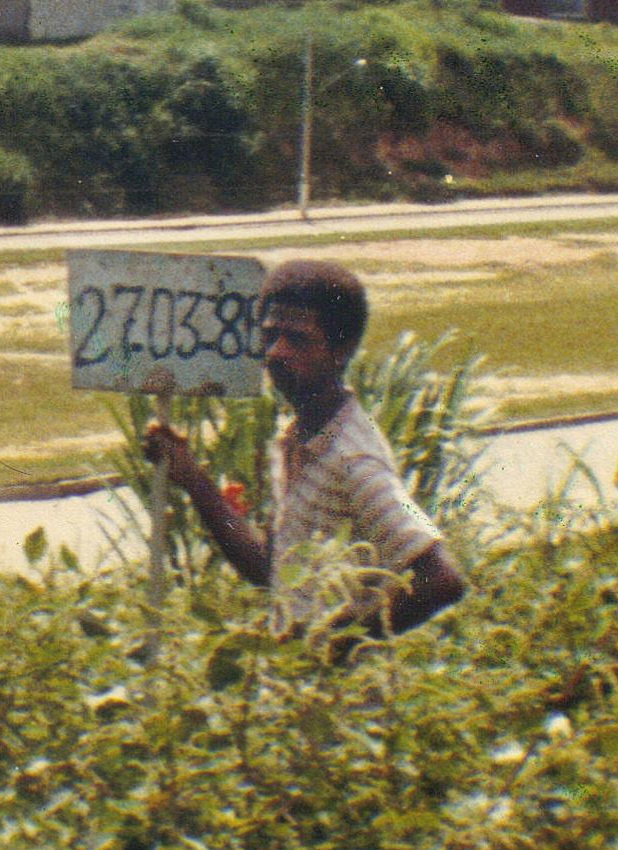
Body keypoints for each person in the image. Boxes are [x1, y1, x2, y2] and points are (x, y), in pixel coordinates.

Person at [143, 258, 465, 649]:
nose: (276, 352)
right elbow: (269, 566)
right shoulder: (296, 439)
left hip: (339, 703)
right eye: (270, 336)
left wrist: (338, 641)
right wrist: (193, 479)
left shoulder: (355, 459)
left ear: (341, 350)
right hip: (296, 693)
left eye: (297, 338)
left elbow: (442, 577)